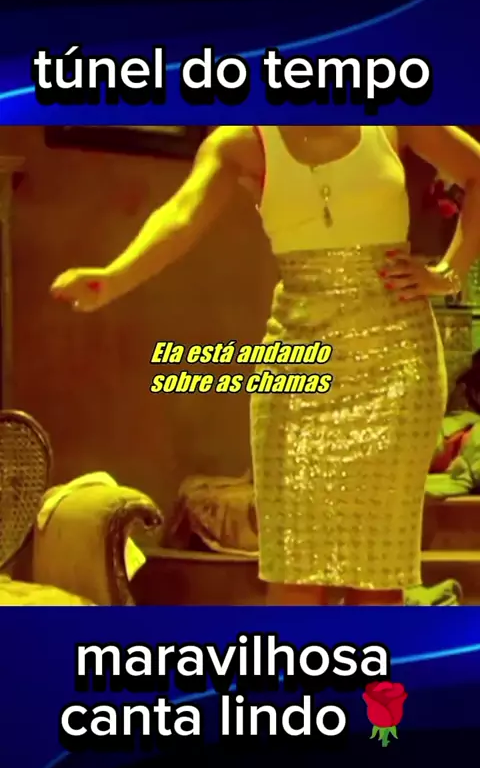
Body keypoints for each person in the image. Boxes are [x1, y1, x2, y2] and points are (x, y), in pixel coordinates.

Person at [51, 126, 480, 606]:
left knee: (377, 576)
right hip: (297, 365)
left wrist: (449, 271)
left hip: (396, 363)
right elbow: (181, 213)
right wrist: (113, 277)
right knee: (294, 570)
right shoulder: (241, 141)